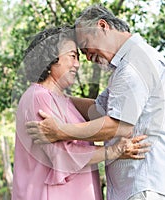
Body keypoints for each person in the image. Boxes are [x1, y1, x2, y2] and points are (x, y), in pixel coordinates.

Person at [26, 4, 165, 200]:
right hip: (140, 186)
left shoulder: (134, 65)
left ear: (102, 26)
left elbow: (118, 126)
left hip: (146, 185)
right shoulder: (127, 67)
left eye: (86, 45)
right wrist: (56, 95)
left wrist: (59, 131)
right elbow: (98, 110)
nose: (87, 57)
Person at [12, 25, 150, 200]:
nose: (77, 64)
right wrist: (113, 151)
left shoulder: (62, 100)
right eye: (72, 56)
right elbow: (62, 155)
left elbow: (102, 111)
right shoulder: (38, 97)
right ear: (51, 58)